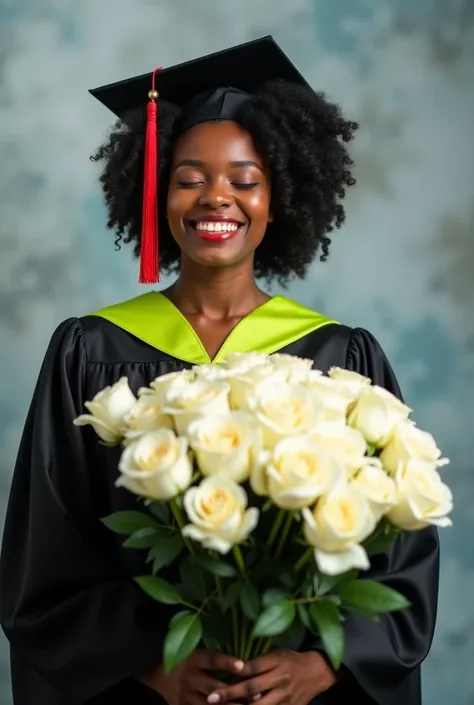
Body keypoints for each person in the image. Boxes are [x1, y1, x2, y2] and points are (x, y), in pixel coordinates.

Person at [0, 36, 439, 705]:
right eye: (189, 178)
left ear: (281, 196)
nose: (217, 198)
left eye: (245, 179)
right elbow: (48, 560)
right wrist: (155, 665)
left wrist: (319, 665)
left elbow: (399, 563)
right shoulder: (88, 352)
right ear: (156, 191)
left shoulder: (339, 358)